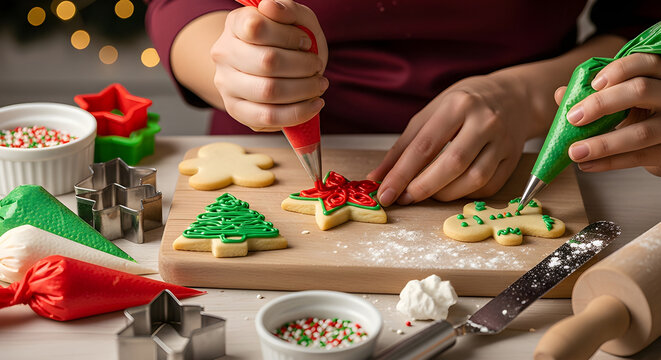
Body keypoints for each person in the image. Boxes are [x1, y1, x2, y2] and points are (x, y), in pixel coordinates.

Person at [145, 0, 660, 206]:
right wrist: (236, 65)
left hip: (552, 148)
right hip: (267, 152)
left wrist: (527, 96)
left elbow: (645, 16)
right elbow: (182, 6)